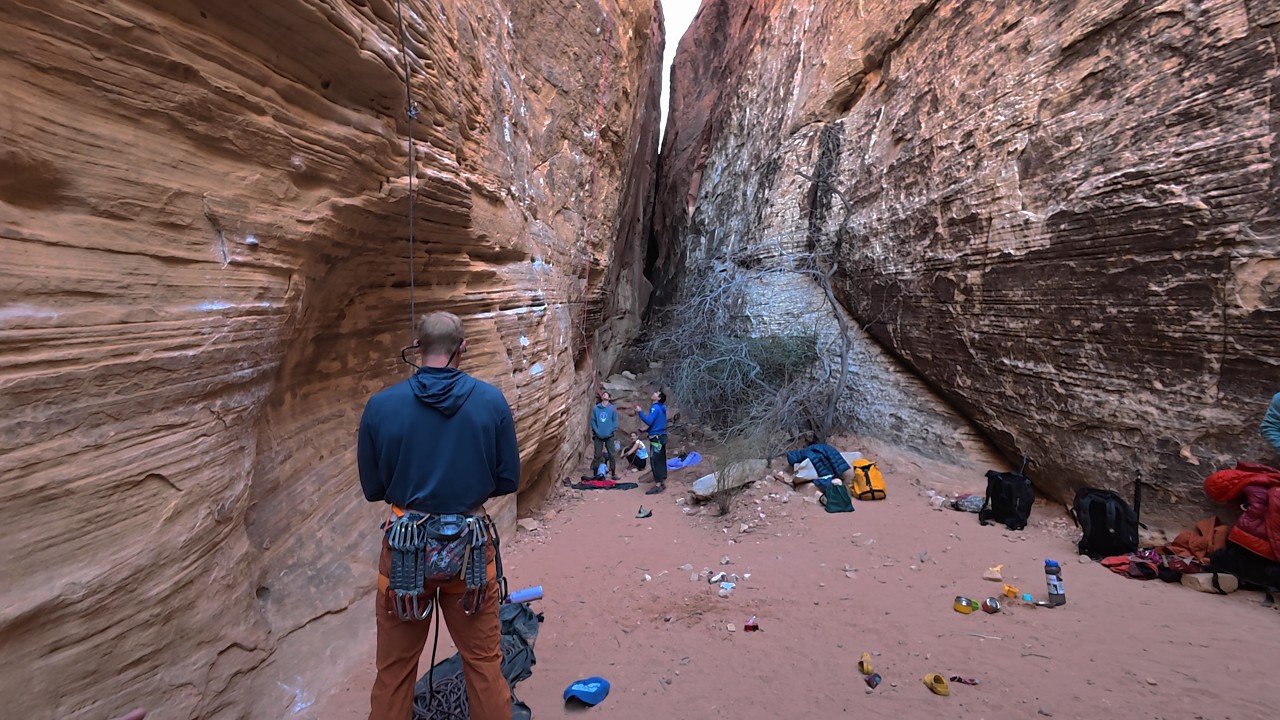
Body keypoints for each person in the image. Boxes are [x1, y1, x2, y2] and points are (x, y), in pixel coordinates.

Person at [358, 311, 520, 720]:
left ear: (417, 347)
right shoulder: (491, 401)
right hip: (470, 550)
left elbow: (374, 489)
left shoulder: (380, 406)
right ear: (462, 348)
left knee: (394, 672)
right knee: (483, 664)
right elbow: (507, 479)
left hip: (404, 553)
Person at [635, 390, 668, 495]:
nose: (653, 393)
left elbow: (649, 421)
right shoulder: (662, 408)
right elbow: (657, 422)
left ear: (658, 398)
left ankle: (658, 485)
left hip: (656, 438)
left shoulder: (655, 408)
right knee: (661, 459)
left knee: (655, 460)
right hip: (662, 436)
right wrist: (646, 429)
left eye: (656, 393)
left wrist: (640, 411)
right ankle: (662, 481)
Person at [590, 391, 619, 480]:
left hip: (609, 435)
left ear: (609, 398)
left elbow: (615, 421)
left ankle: (613, 473)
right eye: (603, 394)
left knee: (612, 455)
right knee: (597, 455)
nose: (604, 394)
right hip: (598, 435)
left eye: (606, 394)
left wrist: (610, 430)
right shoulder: (596, 408)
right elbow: (593, 421)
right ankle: (595, 473)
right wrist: (596, 430)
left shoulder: (612, 408)